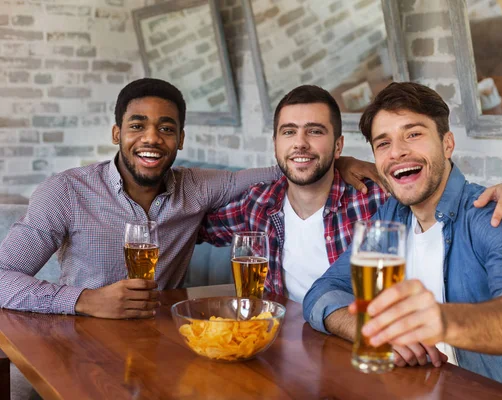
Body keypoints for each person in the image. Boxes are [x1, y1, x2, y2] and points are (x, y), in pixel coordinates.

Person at [302, 82, 502, 399]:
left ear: (447, 144)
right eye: (383, 143)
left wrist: (440, 320)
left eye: (413, 134)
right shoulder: (391, 218)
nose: (397, 151)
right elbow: (321, 293)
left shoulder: (493, 215)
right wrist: (375, 333)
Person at [0, 78, 372, 319]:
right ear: (117, 133)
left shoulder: (197, 189)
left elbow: (285, 168)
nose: (151, 138)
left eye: (166, 128)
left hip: (165, 338)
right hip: (80, 339)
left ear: (180, 139)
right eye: (136, 126)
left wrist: (339, 160)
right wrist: (83, 300)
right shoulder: (65, 191)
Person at [200, 85, 502, 303]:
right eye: (289, 132)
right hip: (292, 342)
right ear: (275, 143)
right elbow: (192, 222)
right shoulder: (258, 204)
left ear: (338, 146)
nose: (300, 143)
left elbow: (449, 190)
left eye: (315, 132)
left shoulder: (377, 200)